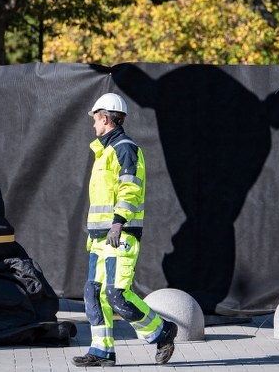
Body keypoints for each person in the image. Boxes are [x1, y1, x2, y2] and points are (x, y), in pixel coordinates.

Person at [73, 93, 177, 367]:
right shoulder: (104, 151)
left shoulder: (125, 148)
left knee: (116, 295)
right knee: (94, 293)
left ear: (105, 118)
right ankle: (101, 351)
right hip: (100, 238)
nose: (93, 124)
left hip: (120, 235)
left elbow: (130, 188)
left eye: (95, 119)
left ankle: (162, 332)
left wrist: (119, 222)